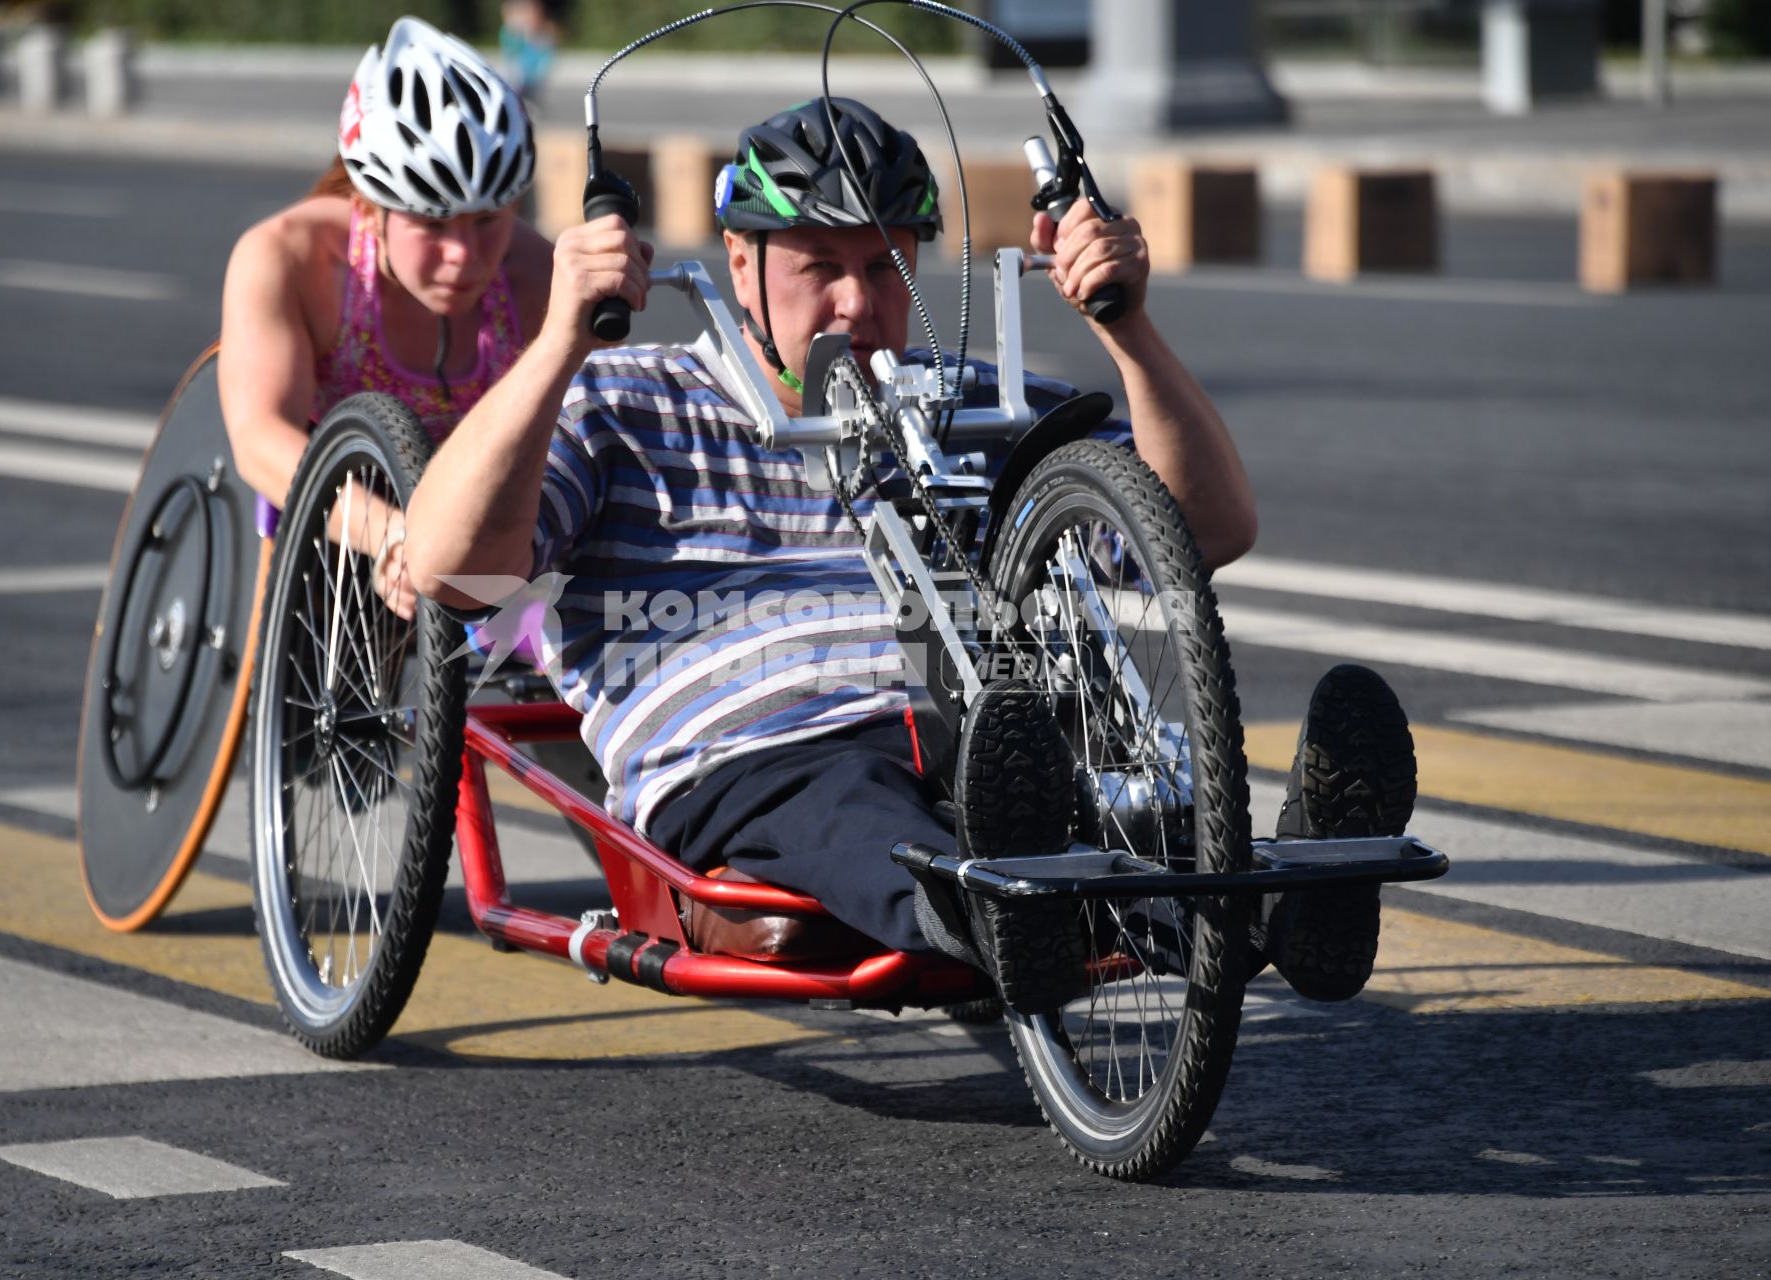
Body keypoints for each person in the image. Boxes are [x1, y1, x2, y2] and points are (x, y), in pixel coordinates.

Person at [404, 98, 1414, 1006]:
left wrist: (1130, 329)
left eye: (885, 267)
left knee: (1105, 780)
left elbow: (1201, 530)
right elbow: (454, 569)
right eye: (820, 269)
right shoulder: (625, 400)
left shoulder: (970, 396)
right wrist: (556, 346)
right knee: (862, 804)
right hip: (765, 753)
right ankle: (1012, 916)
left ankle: (1289, 908)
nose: (856, 304)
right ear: (739, 261)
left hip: (984, 723)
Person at [219, 15, 551, 619]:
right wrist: (393, 535)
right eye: (431, 224)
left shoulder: (536, 274)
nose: (464, 256)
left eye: (488, 221)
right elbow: (260, 438)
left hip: (474, 522)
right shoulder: (289, 258)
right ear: (369, 210)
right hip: (339, 519)